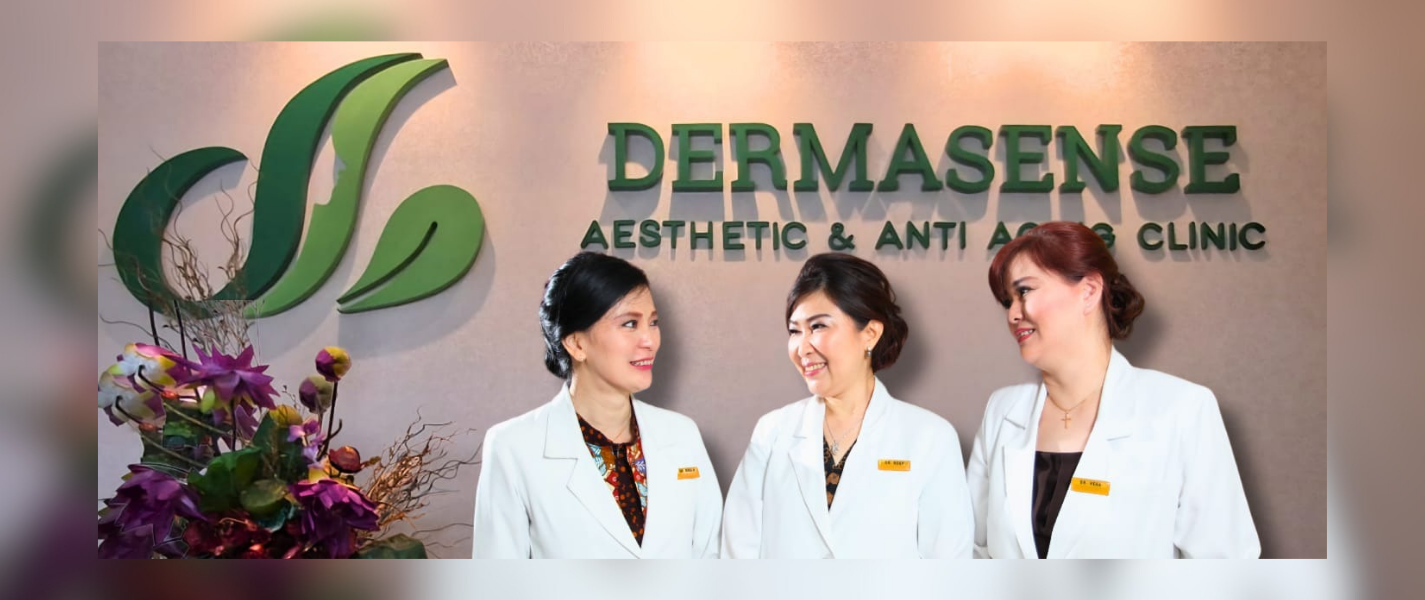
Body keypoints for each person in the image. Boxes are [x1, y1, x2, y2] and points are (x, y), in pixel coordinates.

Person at [968, 222, 1259, 558]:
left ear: (1089, 291)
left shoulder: (1182, 409)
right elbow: (974, 549)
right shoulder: (1002, 410)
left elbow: (1224, 565)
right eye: (1007, 301)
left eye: (1024, 292)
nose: (1013, 314)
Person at [721, 253, 974, 558]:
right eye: (795, 331)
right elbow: (738, 552)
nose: (802, 348)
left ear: (870, 334)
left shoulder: (930, 437)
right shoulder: (772, 432)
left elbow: (948, 565)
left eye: (818, 326)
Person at [472, 252, 722, 558]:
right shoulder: (513, 447)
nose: (650, 340)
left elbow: (713, 560)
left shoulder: (682, 435)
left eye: (653, 322)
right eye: (630, 324)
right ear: (576, 343)